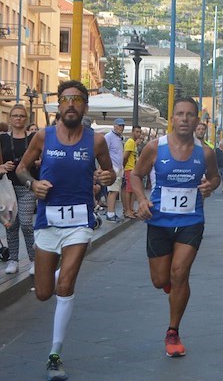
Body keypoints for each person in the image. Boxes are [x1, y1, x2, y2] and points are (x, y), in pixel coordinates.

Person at [16, 80, 115, 381]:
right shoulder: (43, 137)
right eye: (66, 99)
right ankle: (53, 276)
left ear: (85, 106)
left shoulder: (96, 140)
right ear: (59, 105)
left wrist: (107, 176)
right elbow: (21, 169)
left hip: (79, 223)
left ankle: (54, 355)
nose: (71, 104)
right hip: (48, 222)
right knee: (44, 293)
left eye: (77, 99)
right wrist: (33, 184)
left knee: (66, 285)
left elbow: (109, 176)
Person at [130, 97, 220, 357]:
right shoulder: (155, 147)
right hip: (158, 220)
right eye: (179, 114)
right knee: (161, 280)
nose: (184, 119)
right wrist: (142, 199)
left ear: (196, 121)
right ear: (172, 119)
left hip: (191, 220)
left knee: (180, 272)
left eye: (190, 115)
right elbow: (136, 175)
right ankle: (171, 285)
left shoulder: (205, 152)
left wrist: (210, 186)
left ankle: (173, 331)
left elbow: (215, 177)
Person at [0, 104, 38, 275]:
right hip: (8, 186)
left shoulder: (33, 138)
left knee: (26, 223)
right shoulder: (3, 138)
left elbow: (43, 158)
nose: (18, 118)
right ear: (10, 118)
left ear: (26, 119)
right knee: (11, 225)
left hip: (27, 185)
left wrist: (38, 162)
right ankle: (13, 260)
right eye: (15, 115)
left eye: (22, 116)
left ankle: (34, 260)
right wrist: (2, 166)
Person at [104, 118, 125, 221]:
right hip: (113, 168)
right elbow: (104, 152)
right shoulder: (109, 136)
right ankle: (110, 213)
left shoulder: (119, 138)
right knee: (113, 191)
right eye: (119, 125)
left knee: (115, 191)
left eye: (123, 126)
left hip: (119, 168)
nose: (121, 127)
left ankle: (111, 212)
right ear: (114, 125)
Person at [122, 125, 142, 218]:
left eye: (139, 132)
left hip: (132, 169)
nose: (138, 134)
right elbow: (125, 156)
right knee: (129, 190)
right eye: (137, 132)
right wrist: (124, 166)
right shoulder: (130, 142)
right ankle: (128, 210)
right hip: (129, 168)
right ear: (132, 132)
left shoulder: (133, 143)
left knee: (131, 190)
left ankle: (130, 208)